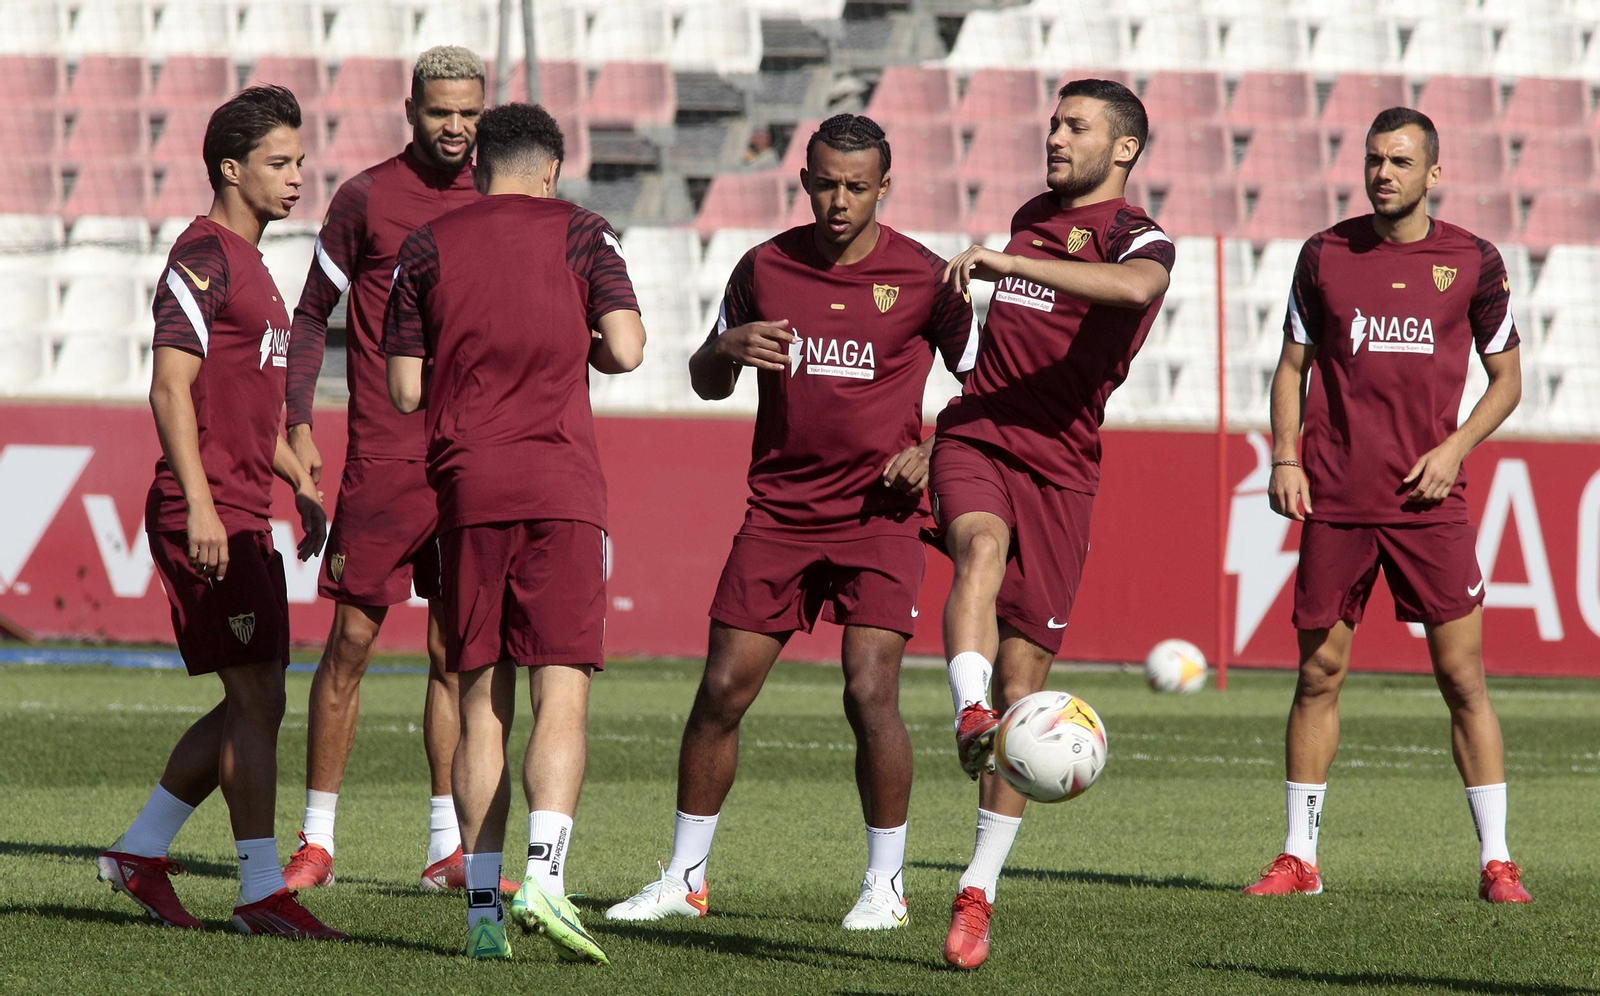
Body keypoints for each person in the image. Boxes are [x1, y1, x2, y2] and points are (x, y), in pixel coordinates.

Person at [605, 114, 977, 931]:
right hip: (779, 514)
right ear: (804, 180)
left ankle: (886, 887)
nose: (839, 201)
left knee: (869, 690)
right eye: (826, 184)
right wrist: (727, 347)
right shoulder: (763, 267)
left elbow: (985, 386)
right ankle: (685, 879)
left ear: (885, 186)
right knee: (721, 692)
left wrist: (936, 448)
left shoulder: (925, 278)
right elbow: (705, 380)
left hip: (880, 517)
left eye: (857, 186)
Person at [1245, 107, 1529, 905]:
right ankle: (1299, 858)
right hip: (1335, 496)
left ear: (1433, 173)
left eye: (1401, 161)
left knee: (1462, 678)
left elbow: (1508, 381)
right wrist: (1286, 456)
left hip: (1428, 501)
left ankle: (1497, 862)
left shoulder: (1473, 260)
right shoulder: (1324, 254)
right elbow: (1292, 366)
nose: (1383, 174)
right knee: (1318, 674)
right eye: (1374, 159)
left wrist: (1454, 450)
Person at [383, 101, 645, 961]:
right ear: (552, 169)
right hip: (561, 484)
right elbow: (628, 349)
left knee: (479, 703)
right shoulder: (584, 233)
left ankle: (482, 913)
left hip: (469, 489)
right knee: (559, 690)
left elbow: (406, 391)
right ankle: (548, 878)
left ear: (479, 165)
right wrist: (581, 345)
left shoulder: (425, 245)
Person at [932, 79, 1173, 969]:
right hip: (979, 434)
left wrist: (1013, 265)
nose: (1056, 136)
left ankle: (977, 892)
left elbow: (1134, 289)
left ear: (1124, 149)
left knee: (1026, 682)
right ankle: (968, 712)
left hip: (1064, 469)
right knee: (980, 549)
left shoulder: (1138, 236)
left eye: (1076, 126)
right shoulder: (1031, 216)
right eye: (1053, 123)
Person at [96, 85, 344, 939]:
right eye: (280, 162)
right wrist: (200, 504)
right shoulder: (202, 255)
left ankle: (141, 852)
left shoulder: (257, 268)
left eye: (300, 161)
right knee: (256, 695)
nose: (297, 176)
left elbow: (241, 410)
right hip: (204, 511)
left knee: (258, 696)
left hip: (244, 509)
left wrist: (298, 480)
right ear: (231, 169)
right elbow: (170, 389)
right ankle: (259, 890)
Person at [281, 46, 512, 894]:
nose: (455, 127)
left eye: (469, 113)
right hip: (384, 456)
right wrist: (298, 420)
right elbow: (313, 313)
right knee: (350, 643)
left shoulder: (500, 195)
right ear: (410, 108)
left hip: (470, 460)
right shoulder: (367, 197)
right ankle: (317, 841)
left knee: (455, 653)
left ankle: (447, 848)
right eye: (440, 111)